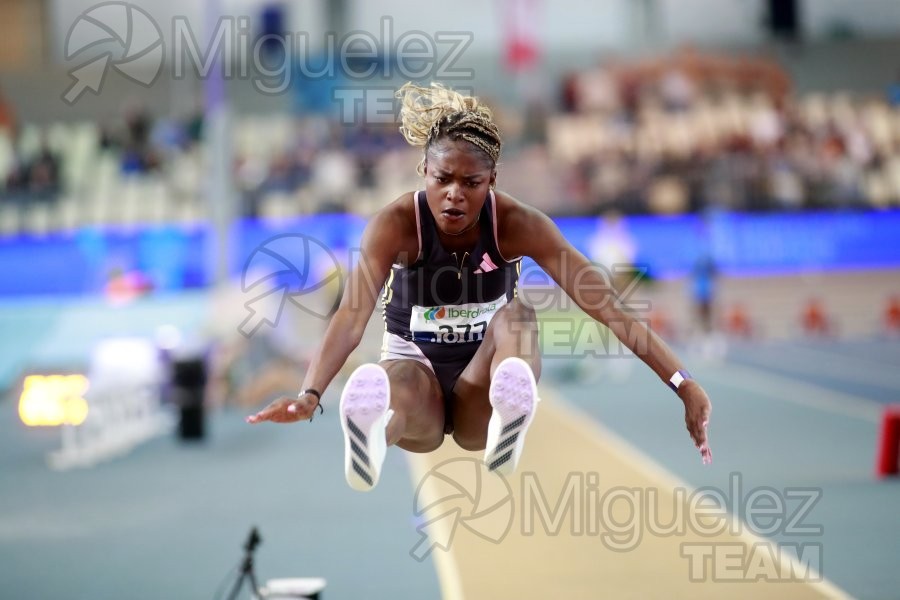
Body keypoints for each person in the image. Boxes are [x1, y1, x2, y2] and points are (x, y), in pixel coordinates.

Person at [246, 83, 712, 491]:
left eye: (470, 182)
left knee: (518, 315)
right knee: (396, 382)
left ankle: (511, 410)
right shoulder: (393, 226)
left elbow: (608, 308)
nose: (454, 193)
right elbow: (350, 317)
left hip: (482, 383)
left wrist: (682, 382)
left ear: (492, 180)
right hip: (418, 370)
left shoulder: (517, 223)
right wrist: (311, 394)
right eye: (442, 179)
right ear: (423, 174)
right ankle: (372, 435)